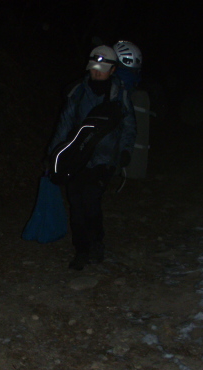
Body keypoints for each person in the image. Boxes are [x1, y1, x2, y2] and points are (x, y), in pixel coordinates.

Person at [47, 45, 136, 270]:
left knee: (91, 201)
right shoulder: (78, 92)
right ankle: (81, 250)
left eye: (102, 69)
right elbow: (64, 124)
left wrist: (125, 151)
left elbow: (128, 127)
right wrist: (53, 156)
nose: (97, 72)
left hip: (104, 160)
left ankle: (96, 243)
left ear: (113, 70)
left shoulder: (119, 94)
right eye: (94, 68)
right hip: (78, 157)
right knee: (76, 204)